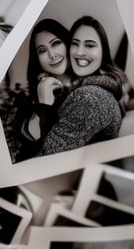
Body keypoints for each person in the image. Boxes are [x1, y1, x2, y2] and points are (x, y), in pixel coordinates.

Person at [39, 16, 127, 156]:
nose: (79, 52)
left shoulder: (89, 98)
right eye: (75, 44)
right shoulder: (98, 87)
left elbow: (47, 157)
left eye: (90, 45)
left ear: (103, 51)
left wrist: (44, 104)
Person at [9, 18, 73, 159]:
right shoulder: (31, 93)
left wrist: (45, 105)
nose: (52, 55)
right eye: (42, 50)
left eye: (56, 43)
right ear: (37, 58)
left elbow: (52, 149)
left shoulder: (81, 94)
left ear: (68, 43)